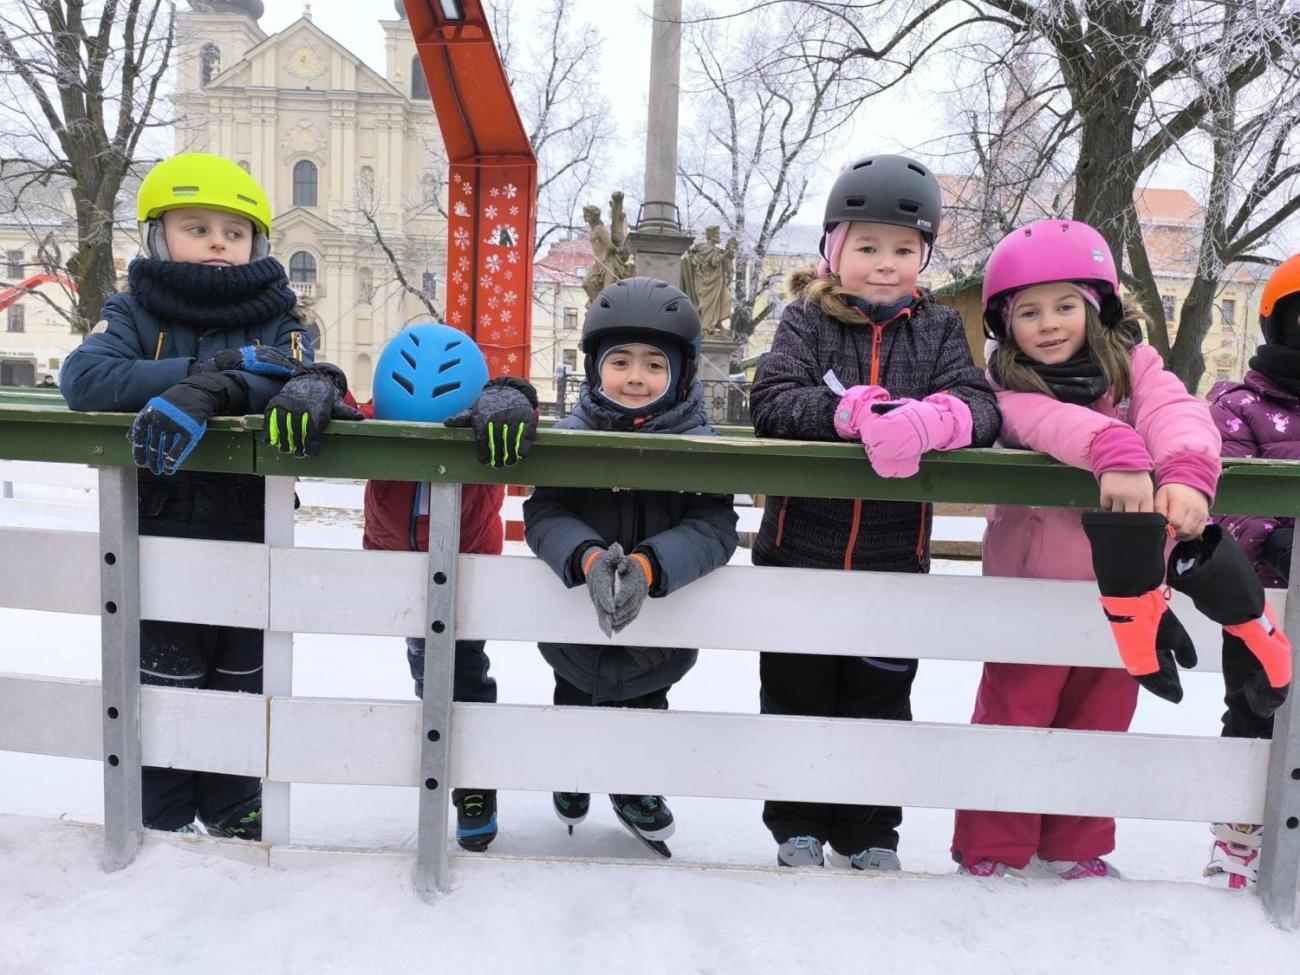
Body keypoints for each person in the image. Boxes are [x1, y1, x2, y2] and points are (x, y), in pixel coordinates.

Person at [59, 152, 344, 838]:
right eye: (197, 227)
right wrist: (205, 369)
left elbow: (297, 377)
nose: (219, 242)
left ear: (257, 244)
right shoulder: (132, 310)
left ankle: (232, 804)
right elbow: (86, 379)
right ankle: (159, 819)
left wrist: (213, 390)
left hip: (252, 536)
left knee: (241, 681)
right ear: (160, 236)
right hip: (157, 538)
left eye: (234, 231)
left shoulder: (282, 318)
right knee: (164, 681)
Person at [950, 218, 1224, 879]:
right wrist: (1112, 447)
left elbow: (1177, 413)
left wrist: (1186, 471)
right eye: (1029, 311)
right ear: (1004, 323)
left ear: (1095, 306)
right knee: (1017, 715)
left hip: (1127, 590)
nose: (1048, 324)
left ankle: (1076, 845)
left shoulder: (1135, 368)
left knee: (1101, 716)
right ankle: (993, 846)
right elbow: (1039, 422)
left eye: (1065, 305)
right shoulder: (1004, 384)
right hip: (1033, 591)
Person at [748, 154, 1000, 870]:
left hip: (894, 557)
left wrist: (937, 419)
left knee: (878, 698)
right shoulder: (807, 322)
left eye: (902, 249)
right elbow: (770, 402)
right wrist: (846, 410)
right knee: (798, 691)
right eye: (867, 247)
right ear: (835, 252)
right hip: (802, 552)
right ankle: (796, 821)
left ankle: (869, 829)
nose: (885, 264)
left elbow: (982, 406)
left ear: (923, 255)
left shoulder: (943, 329)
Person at [523, 277, 738, 858]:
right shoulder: (571, 440)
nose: (636, 377)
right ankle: (572, 768)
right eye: (620, 362)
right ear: (595, 368)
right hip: (574, 632)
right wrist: (586, 555)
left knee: (646, 712)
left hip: (657, 643)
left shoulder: (700, 444)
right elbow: (544, 511)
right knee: (572, 700)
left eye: (653, 364)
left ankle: (632, 782)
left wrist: (651, 563)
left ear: (682, 374)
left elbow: (715, 527)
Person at [359, 321, 538, 852]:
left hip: (466, 568)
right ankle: (443, 770)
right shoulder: (384, 411)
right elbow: (346, 410)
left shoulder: (486, 420)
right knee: (426, 674)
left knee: (465, 675)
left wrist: (513, 396)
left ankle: (475, 785)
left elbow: (529, 419)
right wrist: (319, 383)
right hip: (400, 567)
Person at [1201, 253, 1300, 890]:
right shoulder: (1240, 405)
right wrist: (1281, 538)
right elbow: (1226, 496)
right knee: (1254, 716)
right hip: (1261, 603)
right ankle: (1237, 846)